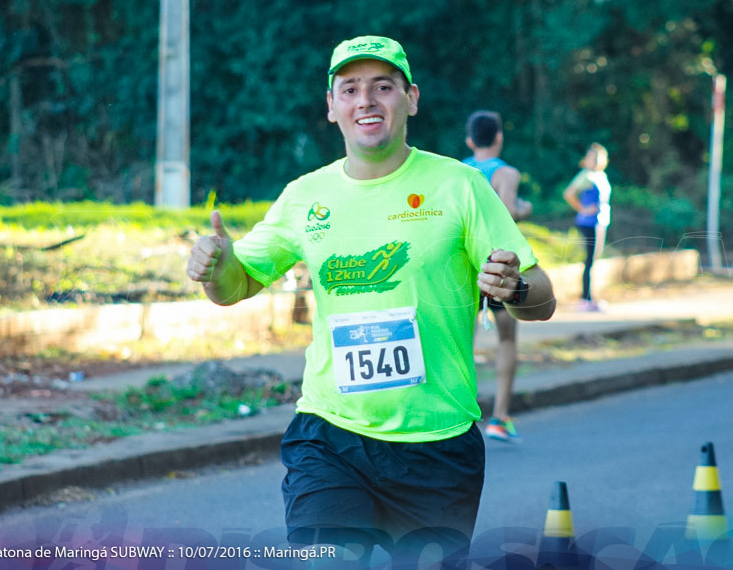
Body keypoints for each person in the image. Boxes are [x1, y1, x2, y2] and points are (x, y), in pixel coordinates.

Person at [186, 35, 556, 566]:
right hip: (331, 437)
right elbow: (234, 286)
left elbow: (542, 299)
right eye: (351, 89)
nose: (367, 100)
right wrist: (215, 269)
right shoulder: (305, 196)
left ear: (411, 98)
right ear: (332, 106)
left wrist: (515, 288)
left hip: (438, 444)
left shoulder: (460, 187)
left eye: (383, 86)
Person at [462, 110, 533, 443]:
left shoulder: (456, 171)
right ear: (499, 137)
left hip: (463, 267)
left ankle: (462, 412)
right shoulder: (507, 173)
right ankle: (499, 418)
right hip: (497, 266)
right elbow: (504, 215)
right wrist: (524, 208)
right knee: (506, 339)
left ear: (470, 140)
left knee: (462, 341)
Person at [562, 143, 611, 312]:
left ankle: (592, 297)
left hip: (600, 222)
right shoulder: (586, 176)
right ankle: (585, 299)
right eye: (592, 157)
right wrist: (582, 208)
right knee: (589, 260)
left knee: (595, 260)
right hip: (588, 222)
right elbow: (568, 193)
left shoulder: (601, 176)